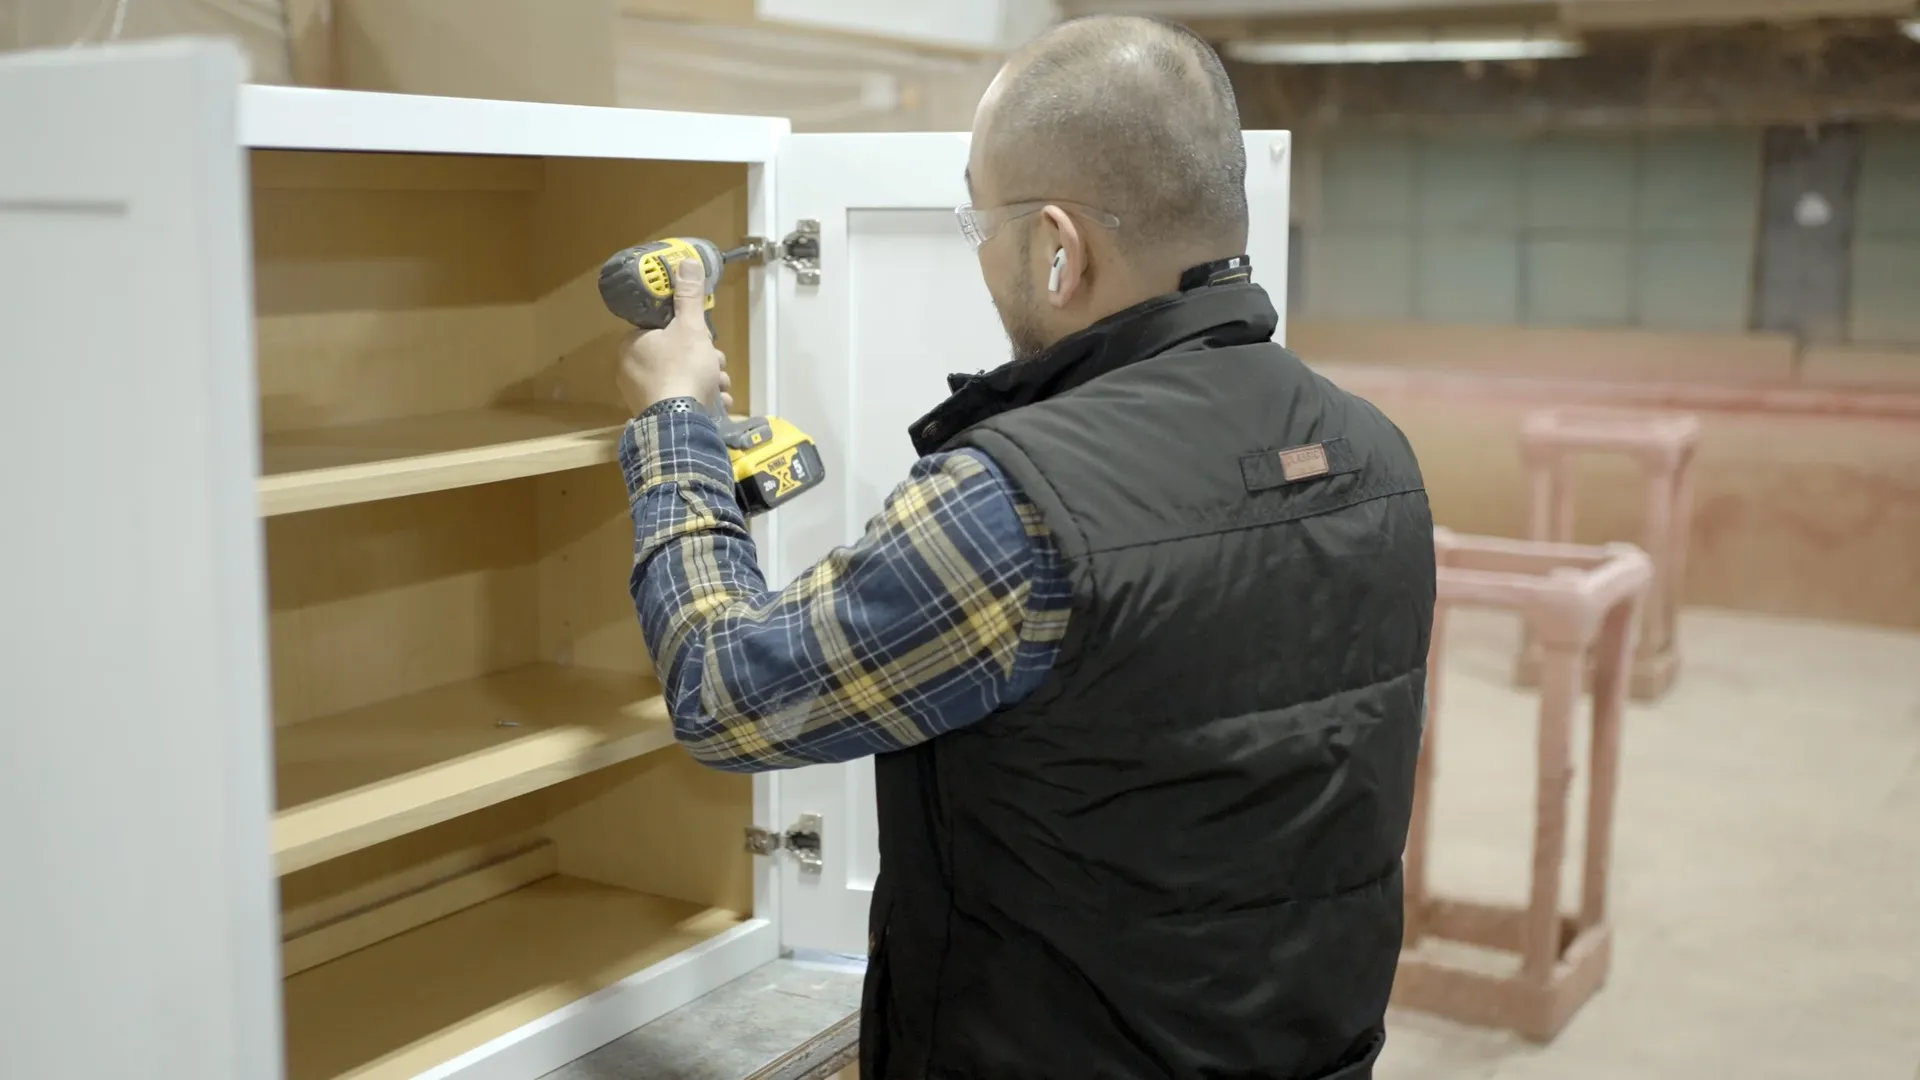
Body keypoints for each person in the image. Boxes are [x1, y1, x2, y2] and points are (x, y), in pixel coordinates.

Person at [612, 14, 1436, 1080]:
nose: (983, 252)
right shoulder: (1376, 454)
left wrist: (672, 430)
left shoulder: (1015, 507)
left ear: (1059, 246)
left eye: (981, 222)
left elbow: (727, 692)